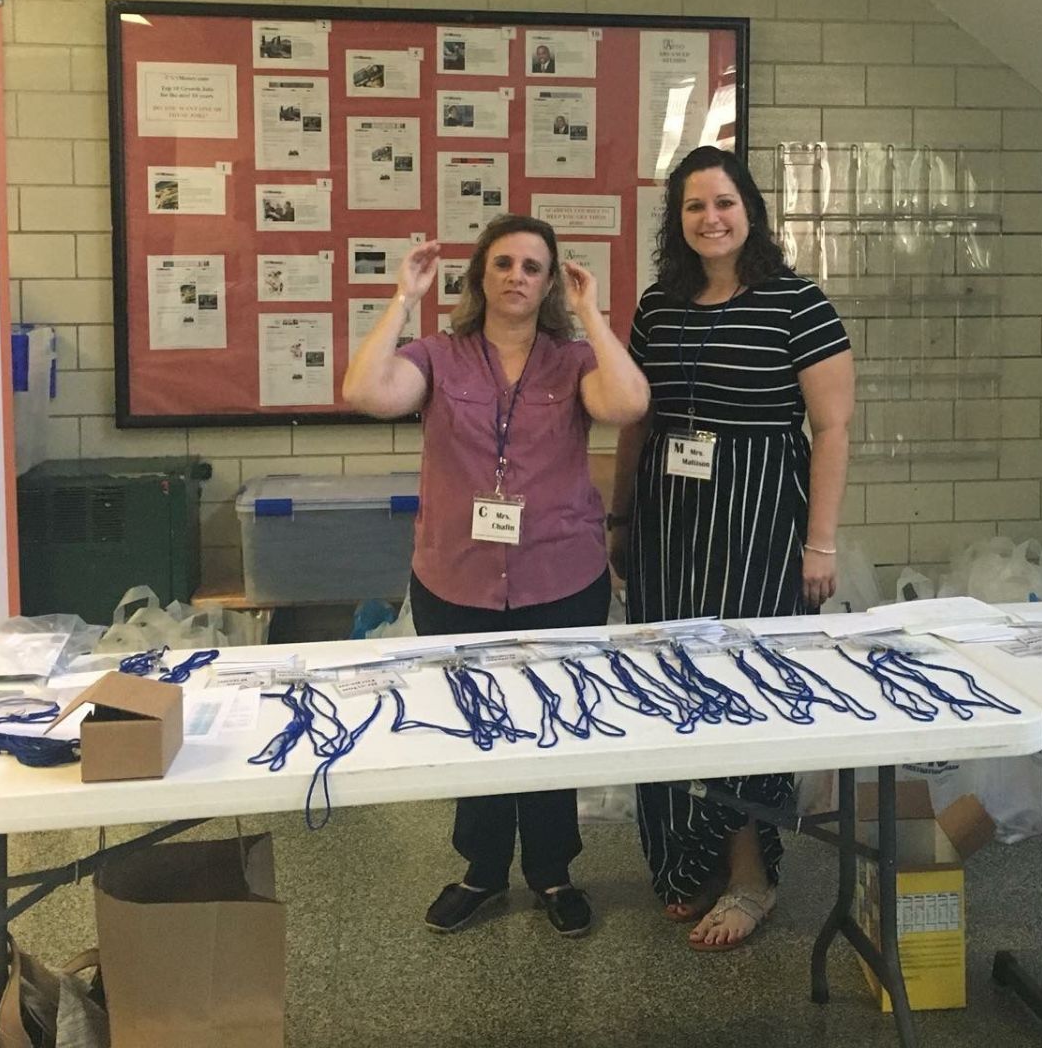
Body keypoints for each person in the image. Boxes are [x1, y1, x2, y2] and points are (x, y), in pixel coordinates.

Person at [343, 215, 649, 939]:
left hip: (562, 574)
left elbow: (630, 403)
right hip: (457, 577)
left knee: (550, 724)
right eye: (504, 262)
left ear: (550, 284)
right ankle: (481, 869)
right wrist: (401, 299)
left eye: (533, 267)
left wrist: (593, 316)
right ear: (481, 274)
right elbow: (366, 391)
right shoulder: (437, 356)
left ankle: (552, 871)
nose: (517, 276)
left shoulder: (573, 361)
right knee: (474, 726)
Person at [610, 145, 855, 950]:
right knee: (671, 687)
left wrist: (820, 544)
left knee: (740, 693)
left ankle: (752, 874)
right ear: (676, 223)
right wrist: (618, 519)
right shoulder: (658, 306)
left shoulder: (798, 304)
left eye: (724, 203)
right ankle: (689, 854)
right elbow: (636, 422)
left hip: (758, 526)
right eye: (693, 207)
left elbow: (832, 430)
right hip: (669, 522)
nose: (710, 219)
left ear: (749, 210)